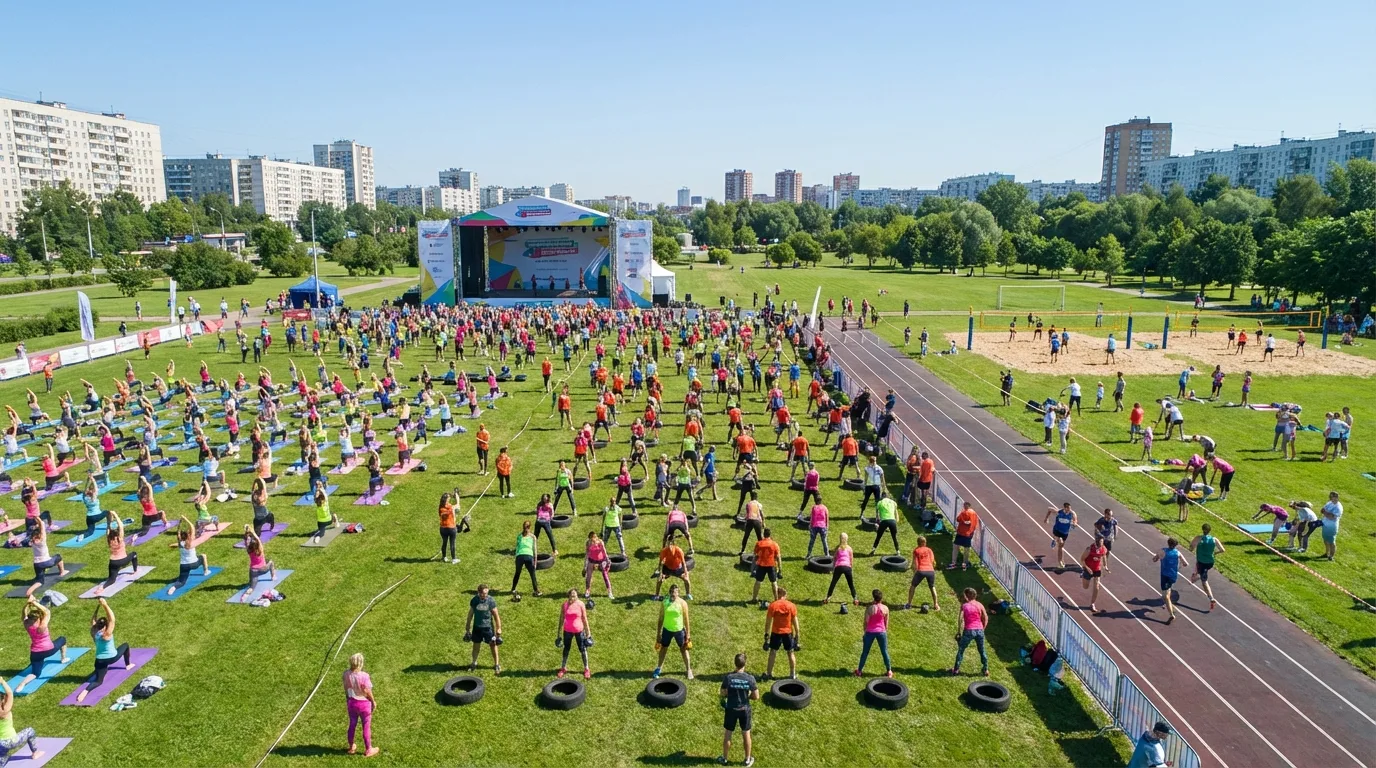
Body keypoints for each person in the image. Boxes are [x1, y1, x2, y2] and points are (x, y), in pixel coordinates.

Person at [75, 598, 132, 703]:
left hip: (99, 660)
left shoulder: (93, 631)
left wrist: (97, 607)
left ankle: (85, 691)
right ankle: (128, 664)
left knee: (98, 681)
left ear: (96, 625)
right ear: (105, 626)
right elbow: (112, 619)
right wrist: (104, 605)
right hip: (111, 658)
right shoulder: (107, 634)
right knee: (126, 645)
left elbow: (93, 620)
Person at [15, 597, 68, 693]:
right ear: (38, 618)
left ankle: (21, 684)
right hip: (48, 650)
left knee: (35, 673)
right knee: (63, 639)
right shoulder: (42, 625)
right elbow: (47, 611)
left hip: (35, 653)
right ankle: (63, 658)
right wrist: (34, 603)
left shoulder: (26, 624)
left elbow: (23, 615)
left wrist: (27, 604)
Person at [719, 652, 759, 767]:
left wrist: (726, 697)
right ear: (744, 664)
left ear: (735, 663)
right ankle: (747, 759)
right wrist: (748, 696)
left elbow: (723, 693)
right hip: (745, 709)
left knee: (728, 733)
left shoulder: (729, 678)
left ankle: (724, 758)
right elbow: (756, 696)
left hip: (731, 708)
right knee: (746, 733)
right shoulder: (750, 678)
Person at [0, 677, 44, 766]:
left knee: (2, 759)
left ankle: (2, 761)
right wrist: (2, 682)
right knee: (30, 731)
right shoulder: (5, 711)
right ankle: (35, 753)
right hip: (12, 741)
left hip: (1, 745)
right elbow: (10, 693)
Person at [343, 653, 379, 757]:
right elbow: (367, 691)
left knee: (352, 724)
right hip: (364, 704)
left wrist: (348, 699)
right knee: (366, 726)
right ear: (361, 663)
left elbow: (346, 688)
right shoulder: (364, 676)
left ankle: (351, 747)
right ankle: (369, 749)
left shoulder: (346, 674)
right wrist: (373, 701)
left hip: (352, 702)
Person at [654, 584, 693, 680]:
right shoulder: (664, 602)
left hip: (679, 631)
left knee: (684, 649)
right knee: (663, 649)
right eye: (671, 592)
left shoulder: (683, 603)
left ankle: (688, 670)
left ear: (678, 593)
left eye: (675, 592)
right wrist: (658, 633)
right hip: (667, 630)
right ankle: (659, 668)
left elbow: (686, 619)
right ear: (669, 592)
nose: (673, 594)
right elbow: (661, 618)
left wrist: (688, 634)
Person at [166, 517, 211, 596]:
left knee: (181, 582)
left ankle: (173, 588)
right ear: (188, 536)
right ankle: (206, 571)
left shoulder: (180, 543)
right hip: (194, 564)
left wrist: (179, 523)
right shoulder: (190, 542)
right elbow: (192, 528)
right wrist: (186, 519)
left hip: (183, 566)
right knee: (203, 556)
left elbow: (178, 532)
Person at [763, 587, 800, 680]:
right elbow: (796, 623)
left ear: (778, 594)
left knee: (773, 652)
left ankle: (769, 674)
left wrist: (766, 635)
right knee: (790, 652)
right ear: (785, 595)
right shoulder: (791, 606)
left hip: (776, 632)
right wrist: (797, 635)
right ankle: (793, 674)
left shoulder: (773, 605)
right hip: (788, 633)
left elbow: (768, 622)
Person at [463, 584, 502, 674]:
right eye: (483, 593)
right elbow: (470, 614)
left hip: (488, 628)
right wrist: (468, 627)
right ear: (479, 593)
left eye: (486, 593)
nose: (485, 595)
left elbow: (496, 616)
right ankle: (474, 663)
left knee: (493, 645)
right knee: (476, 646)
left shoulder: (490, 601)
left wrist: (498, 628)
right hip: (477, 628)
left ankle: (496, 664)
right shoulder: (475, 601)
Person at [950, 587, 989, 677]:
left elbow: (960, 619)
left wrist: (959, 631)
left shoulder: (964, 606)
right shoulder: (980, 605)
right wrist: (982, 629)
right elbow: (985, 617)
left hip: (969, 630)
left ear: (967, 596)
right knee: (982, 650)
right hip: (979, 630)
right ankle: (985, 669)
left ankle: (956, 670)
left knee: (961, 650)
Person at [855, 589, 893, 678]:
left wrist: (865, 632)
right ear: (881, 598)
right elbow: (886, 622)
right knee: (884, 652)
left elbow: (866, 622)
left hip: (870, 632)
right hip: (882, 632)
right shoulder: (885, 608)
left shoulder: (870, 608)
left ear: (873, 598)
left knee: (865, 652)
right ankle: (889, 671)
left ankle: (859, 671)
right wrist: (884, 630)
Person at [556, 588, 593, 680]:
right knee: (566, 649)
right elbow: (561, 619)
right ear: (569, 595)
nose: (573, 595)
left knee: (583, 649)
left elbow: (584, 619)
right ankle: (563, 668)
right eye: (572, 594)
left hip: (579, 631)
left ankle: (586, 669)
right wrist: (558, 633)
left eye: (575, 594)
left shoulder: (581, 605)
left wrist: (588, 633)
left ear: (577, 596)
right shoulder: (564, 605)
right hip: (567, 631)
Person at [1188, 524, 1224, 610]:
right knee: (1200, 571)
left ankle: (1211, 598)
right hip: (1210, 563)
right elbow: (1222, 550)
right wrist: (1215, 553)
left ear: (1202, 529)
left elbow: (1191, 548)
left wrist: (1192, 547)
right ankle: (1197, 575)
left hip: (1201, 562)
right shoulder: (1214, 539)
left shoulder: (1198, 538)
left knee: (1204, 581)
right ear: (1209, 531)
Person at [1152, 538, 1187, 625]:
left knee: (1165, 596)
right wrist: (1178, 566)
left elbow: (1154, 559)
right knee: (1169, 589)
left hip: (1165, 576)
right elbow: (1185, 563)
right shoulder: (1178, 553)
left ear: (1168, 543)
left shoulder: (1163, 551)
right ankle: (1169, 606)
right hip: (1173, 576)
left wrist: (1158, 557)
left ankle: (1171, 614)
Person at [653, 531, 692, 600]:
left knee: (686, 580)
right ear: (667, 543)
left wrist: (686, 573)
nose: (670, 546)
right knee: (659, 580)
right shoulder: (663, 551)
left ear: (673, 543)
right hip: (667, 568)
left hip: (677, 569)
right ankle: (656, 595)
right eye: (669, 543)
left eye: (671, 543)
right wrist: (660, 572)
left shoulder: (679, 550)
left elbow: (683, 563)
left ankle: (688, 595)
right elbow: (660, 563)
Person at [906, 536, 939, 610]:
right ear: (924, 542)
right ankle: (936, 605)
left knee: (913, 586)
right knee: (932, 587)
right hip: (930, 571)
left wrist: (914, 571)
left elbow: (914, 563)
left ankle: (909, 604)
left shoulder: (916, 550)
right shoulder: (929, 550)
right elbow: (933, 561)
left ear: (918, 543)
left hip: (921, 570)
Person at [824, 532, 857, 605]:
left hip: (839, 566)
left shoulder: (838, 548)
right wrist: (850, 567)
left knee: (833, 582)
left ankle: (828, 598)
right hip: (847, 567)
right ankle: (855, 598)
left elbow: (834, 559)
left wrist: (833, 568)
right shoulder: (849, 548)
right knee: (850, 584)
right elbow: (851, 559)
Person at [510, 521, 540, 600]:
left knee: (517, 573)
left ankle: (513, 588)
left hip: (519, 556)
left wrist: (515, 558)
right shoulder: (533, 537)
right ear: (530, 527)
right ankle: (536, 590)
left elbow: (517, 548)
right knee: (532, 574)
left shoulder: (519, 536)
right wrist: (535, 561)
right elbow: (535, 549)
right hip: (529, 556)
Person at [750, 527, 781, 604]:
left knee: (758, 581)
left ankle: (754, 598)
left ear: (764, 534)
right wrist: (780, 569)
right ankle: (776, 599)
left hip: (761, 565)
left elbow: (755, 556)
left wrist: (752, 568)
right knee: (774, 582)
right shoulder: (775, 544)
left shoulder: (759, 543)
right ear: (770, 535)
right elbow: (778, 557)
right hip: (771, 565)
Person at [1044, 503, 1076, 570]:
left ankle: (1054, 540)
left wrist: (1074, 524)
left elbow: (1075, 520)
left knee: (1061, 547)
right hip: (1057, 530)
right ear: (1065, 508)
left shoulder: (1072, 514)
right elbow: (1049, 509)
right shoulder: (1059, 512)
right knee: (1060, 542)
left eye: (1070, 508)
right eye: (1068, 508)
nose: (1070, 510)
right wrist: (1046, 518)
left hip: (1065, 532)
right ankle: (1060, 562)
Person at [1080, 535, 1108, 613]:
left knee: (1097, 586)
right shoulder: (1089, 549)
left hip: (1097, 569)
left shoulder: (1103, 548)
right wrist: (1087, 568)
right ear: (1097, 541)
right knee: (1085, 587)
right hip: (1088, 569)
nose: (1102, 543)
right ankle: (1083, 574)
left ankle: (1092, 604)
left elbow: (1104, 556)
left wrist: (1105, 566)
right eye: (1101, 541)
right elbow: (1082, 559)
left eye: (1103, 541)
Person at [950, 502, 978, 569]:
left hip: (961, 533)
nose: (964, 507)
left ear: (967, 506)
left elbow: (958, 519)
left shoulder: (963, 512)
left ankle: (954, 563)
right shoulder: (974, 513)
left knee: (956, 547)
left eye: (965, 505)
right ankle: (965, 563)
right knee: (966, 549)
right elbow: (975, 522)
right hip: (968, 534)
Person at [1320, 491, 1343, 561]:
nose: (1330, 498)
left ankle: (1331, 556)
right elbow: (1323, 510)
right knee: (1325, 539)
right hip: (1325, 523)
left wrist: (1325, 513)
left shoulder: (1338, 507)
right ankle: (1326, 553)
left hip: (1332, 526)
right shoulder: (1329, 503)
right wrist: (1325, 512)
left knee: (1332, 541)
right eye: (1330, 497)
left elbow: (1332, 517)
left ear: (1336, 498)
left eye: (1332, 497)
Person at [438, 491, 459, 564]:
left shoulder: (440, 507)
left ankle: (444, 557)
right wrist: (457, 497)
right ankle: (454, 559)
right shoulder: (450, 507)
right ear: (447, 500)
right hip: (451, 528)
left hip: (443, 528)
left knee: (444, 542)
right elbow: (458, 505)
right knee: (452, 543)